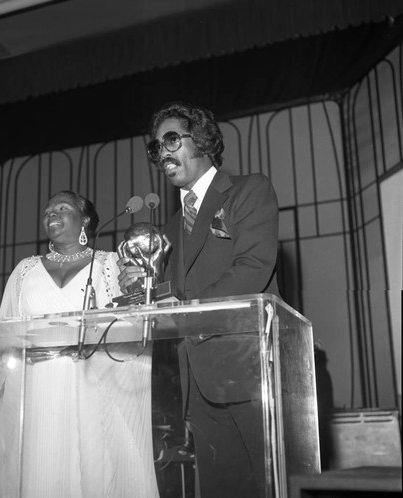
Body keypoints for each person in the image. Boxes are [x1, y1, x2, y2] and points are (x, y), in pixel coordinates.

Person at [118, 102, 280, 497]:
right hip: (198, 381)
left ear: (202, 139)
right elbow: (169, 296)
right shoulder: (170, 228)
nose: (162, 154)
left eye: (171, 139)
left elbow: (253, 267)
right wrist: (136, 288)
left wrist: (185, 310)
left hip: (248, 369)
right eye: (156, 148)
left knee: (273, 484)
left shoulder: (248, 189)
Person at [0, 191, 159, 498]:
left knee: (89, 471)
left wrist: (139, 291)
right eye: (48, 211)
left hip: (90, 389)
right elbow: (4, 336)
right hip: (33, 391)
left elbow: (129, 326)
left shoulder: (110, 264)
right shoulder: (25, 270)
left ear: (84, 220)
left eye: (61, 208)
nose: (51, 215)